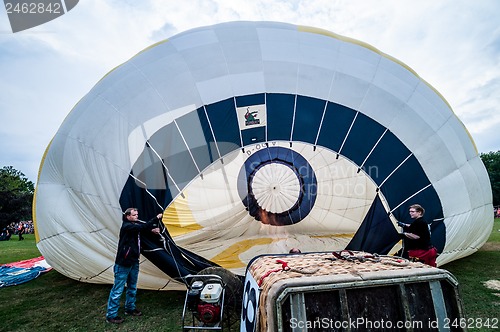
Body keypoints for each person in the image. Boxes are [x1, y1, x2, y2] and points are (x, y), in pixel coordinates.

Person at [105, 208, 162, 324]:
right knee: (117, 290)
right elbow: (141, 228)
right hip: (123, 264)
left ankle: (130, 309)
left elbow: (141, 229)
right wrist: (156, 218)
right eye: (134, 215)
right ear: (127, 216)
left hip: (134, 261)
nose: (136, 216)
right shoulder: (126, 226)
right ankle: (111, 315)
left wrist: (152, 230)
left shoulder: (133, 226)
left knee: (132, 287)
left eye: (137, 214)